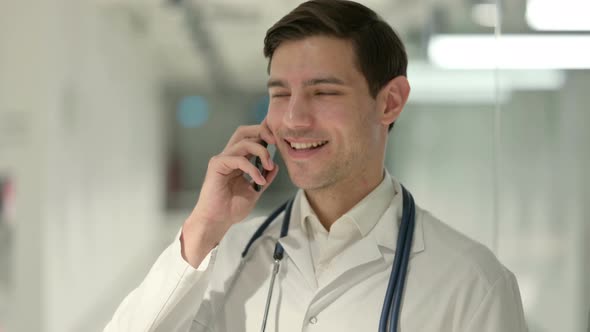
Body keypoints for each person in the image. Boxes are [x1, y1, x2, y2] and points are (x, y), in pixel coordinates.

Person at [105, 0, 528, 331]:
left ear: (390, 101)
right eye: (280, 93)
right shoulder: (230, 256)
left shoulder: (473, 285)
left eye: (323, 92)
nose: (293, 119)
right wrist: (202, 227)